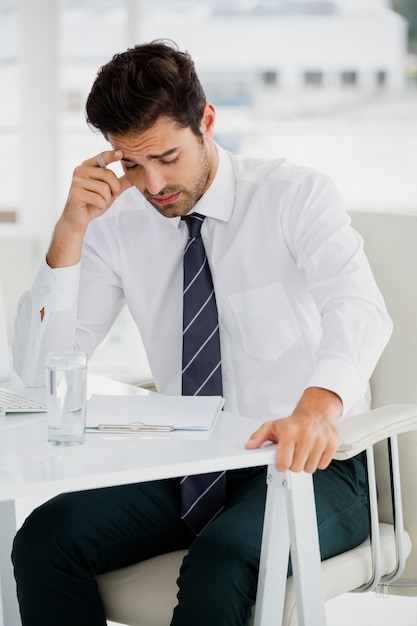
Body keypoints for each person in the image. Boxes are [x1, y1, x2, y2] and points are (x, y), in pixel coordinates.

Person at [12, 39, 392, 626]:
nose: (154, 182)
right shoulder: (119, 225)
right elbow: (40, 377)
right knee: (46, 536)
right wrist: (70, 232)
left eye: (168, 156)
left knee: (222, 559)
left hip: (312, 465)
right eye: (132, 163)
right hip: (189, 463)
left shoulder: (294, 196)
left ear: (206, 120)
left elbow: (358, 306)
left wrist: (318, 406)